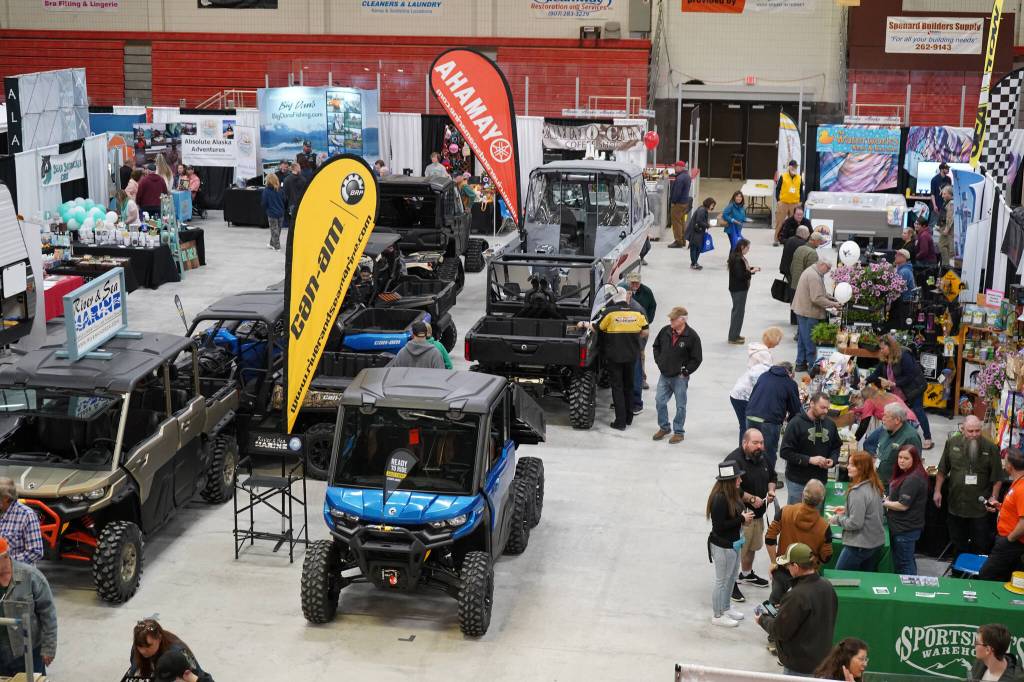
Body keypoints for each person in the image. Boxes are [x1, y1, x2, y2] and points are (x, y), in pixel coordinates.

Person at [755, 542, 838, 677]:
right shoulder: (827, 586)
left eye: (788, 565)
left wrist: (762, 619)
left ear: (796, 566)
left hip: (800, 666)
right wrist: (786, 608)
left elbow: (779, 631)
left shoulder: (796, 595)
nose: (787, 569)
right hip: (822, 660)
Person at [935, 415, 1004, 556]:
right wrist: (937, 491)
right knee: (957, 542)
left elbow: (997, 478)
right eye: (970, 431)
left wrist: (993, 498)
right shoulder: (952, 443)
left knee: (980, 544)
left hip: (979, 508)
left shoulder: (991, 448)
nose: (974, 434)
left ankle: (978, 575)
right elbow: (942, 470)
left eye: (977, 431)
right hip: (956, 504)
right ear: (962, 430)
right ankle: (957, 574)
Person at [726, 429, 777, 602]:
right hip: (740, 516)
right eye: (755, 443)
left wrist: (770, 491)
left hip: (758, 515)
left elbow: (773, 476)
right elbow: (728, 487)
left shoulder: (762, 457)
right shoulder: (733, 460)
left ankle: (746, 574)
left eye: (761, 442)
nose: (760, 446)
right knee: (736, 551)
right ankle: (730, 584)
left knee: (752, 547)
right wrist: (750, 498)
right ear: (745, 443)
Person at [765, 480, 833, 605]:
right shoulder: (824, 527)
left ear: (802, 494)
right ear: (821, 500)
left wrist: (774, 561)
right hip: (806, 577)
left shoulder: (785, 512)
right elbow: (826, 557)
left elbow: (769, 538)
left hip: (783, 570)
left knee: (774, 607)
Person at [706, 460, 754, 628]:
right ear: (729, 481)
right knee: (722, 581)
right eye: (737, 478)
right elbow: (719, 526)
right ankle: (717, 615)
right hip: (722, 546)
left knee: (731, 578)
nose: (740, 481)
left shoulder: (733, 494)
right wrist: (742, 519)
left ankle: (726, 607)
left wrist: (743, 520)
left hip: (734, 543)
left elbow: (732, 519)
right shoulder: (719, 499)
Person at [593, 289, 649, 431]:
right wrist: (632, 339)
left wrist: (583, 324)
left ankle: (620, 422)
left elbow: (597, 328)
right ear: (627, 298)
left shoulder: (610, 313)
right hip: (632, 356)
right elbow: (645, 331)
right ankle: (629, 418)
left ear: (615, 299)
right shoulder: (637, 312)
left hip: (615, 357)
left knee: (617, 388)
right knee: (629, 386)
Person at [0, 538, 56, 675]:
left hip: (28, 652)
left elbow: (48, 614)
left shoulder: (31, 577)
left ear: (5, 556)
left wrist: (49, 648)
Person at [868, 335, 932, 448]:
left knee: (918, 410)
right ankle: (902, 435)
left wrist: (894, 383)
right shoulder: (885, 358)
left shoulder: (904, 355)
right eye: (880, 348)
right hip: (900, 389)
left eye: (883, 348)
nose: (881, 350)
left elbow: (910, 375)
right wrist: (865, 380)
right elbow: (877, 373)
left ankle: (928, 438)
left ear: (890, 346)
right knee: (900, 412)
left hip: (915, 387)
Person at [652, 306, 701, 443]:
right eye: (671, 318)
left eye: (674, 319)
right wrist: (659, 361)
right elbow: (656, 346)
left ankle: (678, 431)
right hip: (664, 375)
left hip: (679, 378)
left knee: (680, 406)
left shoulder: (692, 336)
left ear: (683, 319)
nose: (671, 321)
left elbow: (697, 358)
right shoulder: (665, 331)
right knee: (659, 401)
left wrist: (686, 371)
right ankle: (664, 427)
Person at [829, 451, 885, 571]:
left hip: (859, 545)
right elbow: (869, 510)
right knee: (865, 578)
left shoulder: (857, 492)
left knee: (839, 576)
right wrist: (847, 509)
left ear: (861, 468)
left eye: (852, 465)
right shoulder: (874, 485)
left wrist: (836, 519)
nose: (847, 467)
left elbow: (855, 523)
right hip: (873, 543)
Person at [780, 392, 840, 503]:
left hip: (820, 481)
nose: (826, 411)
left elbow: (836, 447)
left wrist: (833, 460)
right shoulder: (795, 423)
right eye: (822, 407)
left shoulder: (830, 424)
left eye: (827, 408)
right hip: (798, 482)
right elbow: (785, 452)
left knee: (815, 516)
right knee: (796, 516)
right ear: (812, 404)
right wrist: (810, 460)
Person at [745, 361, 802, 476]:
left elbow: (754, 394)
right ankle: (768, 479)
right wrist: (790, 422)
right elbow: (796, 409)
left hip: (751, 415)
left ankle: (749, 474)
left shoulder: (764, 376)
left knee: (751, 448)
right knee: (768, 452)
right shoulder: (789, 383)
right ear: (790, 373)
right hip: (769, 421)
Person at [729, 328, 782, 443]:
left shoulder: (758, 349)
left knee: (745, 425)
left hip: (740, 392)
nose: (779, 343)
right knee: (745, 426)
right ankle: (744, 451)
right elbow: (763, 375)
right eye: (779, 339)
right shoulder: (765, 354)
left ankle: (744, 448)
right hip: (744, 395)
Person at [882, 445, 928, 576]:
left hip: (905, 529)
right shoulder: (906, 473)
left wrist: (883, 503)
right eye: (900, 457)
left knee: (904, 563)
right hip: (902, 527)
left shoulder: (913, 478)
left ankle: (909, 590)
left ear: (915, 460)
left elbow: (903, 505)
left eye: (906, 458)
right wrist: (889, 498)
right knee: (907, 560)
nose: (901, 461)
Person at [979, 449, 1024, 582]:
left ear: (1010, 466)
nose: (1004, 465)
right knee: (1004, 576)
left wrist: (1008, 540)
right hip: (1009, 541)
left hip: (1011, 543)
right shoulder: (1018, 483)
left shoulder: (1022, 488)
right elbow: (1016, 510)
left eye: (1005, 462)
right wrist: (1001, 507)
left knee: (986, 575)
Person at [792, 256, 838, 373]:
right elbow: (816, 298)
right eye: (827, 269)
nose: (827, 272)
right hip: (808, 312)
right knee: (810, 341)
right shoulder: (814, 276)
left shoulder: (813, 272)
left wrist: (831, 297)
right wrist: (833, 304)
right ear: (822, 265)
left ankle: (800, 363)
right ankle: (812, 367)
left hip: (802, 310)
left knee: (803, 339)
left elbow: (820, 291)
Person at [851, 379, 918, 454]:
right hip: (912, 421)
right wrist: (857, 410)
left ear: (864, 397)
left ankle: (873, 463)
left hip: (899, 422)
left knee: (869, 444)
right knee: (903, 451)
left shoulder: (869, 401)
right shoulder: (886, 395)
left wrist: (854, 441)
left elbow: (864, 425)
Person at [130, 619, 211, 680]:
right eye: (139, 646)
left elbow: (201, 677)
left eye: (148, 646)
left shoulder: (179, 653)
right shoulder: (138, 647)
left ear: (159, 638)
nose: (143, 651)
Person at [873, 401, 923, 486]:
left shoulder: (910, 437)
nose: (883, 418)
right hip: (880, 482)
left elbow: (914, 467)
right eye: (883, 415)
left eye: (886, 416)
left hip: (895, 486)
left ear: (897, 420)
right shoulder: (886, 430)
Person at [0, 478, 42, 565]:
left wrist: (6, 562)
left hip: (17, 574)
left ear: (5, 498)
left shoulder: (27, 515)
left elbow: (36, 552)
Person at [727, 238, 759, 344]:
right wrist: (752, 272)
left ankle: (735, 334)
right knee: (738, 313)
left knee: (739, 312)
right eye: (747, 248)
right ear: (742, 247)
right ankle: (733, 337)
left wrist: (751, 269)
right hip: (739, 289)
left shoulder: (738, 257)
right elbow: (741, 275)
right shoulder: (737, 259)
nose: (748, 250)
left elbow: (742, 270)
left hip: (739, 288)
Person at [789, 232, 827, 306]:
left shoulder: (799, 248)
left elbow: (792, 267)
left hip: (793, 285)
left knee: (793, 310)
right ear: (814, 240)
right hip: (803, 288)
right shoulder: (812, 253)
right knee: (801, 313)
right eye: (819, 242)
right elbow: (812, 274)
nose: (820, 244)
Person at [774, 160, 804, 246]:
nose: (794, 168)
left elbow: (801, 191)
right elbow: (777, 189)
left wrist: (801, 201)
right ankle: (776, 239)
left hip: (794, 204)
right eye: (793, 166)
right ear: (789, 167)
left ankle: (793, 240)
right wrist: (778, 200)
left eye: (796, 166)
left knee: (794, 222)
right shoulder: (783, 176)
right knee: (780, 221)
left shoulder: (799, 178)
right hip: (783, 203)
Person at [684, 197, 715, 270]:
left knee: (697, 247)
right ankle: (693, 263)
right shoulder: (702, 210)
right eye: (712, 205)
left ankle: (695, 262)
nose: (712, 206)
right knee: (695, 248)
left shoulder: (703, 209)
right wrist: (707, 225)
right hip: (696, 232)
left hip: (698, 232)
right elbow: (699, 221)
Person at [668, 161, 692, 248]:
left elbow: (677, 192)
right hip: (684, 202)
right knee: (682, 222)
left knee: (676, 223)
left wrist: (673, 202)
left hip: (678, 203)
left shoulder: (680, 178)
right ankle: (683, 240)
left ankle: (678, 241)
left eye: (676, 166)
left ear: (681, 167)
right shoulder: (687, 176)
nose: (675, 168)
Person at [261, 173, 285, 251]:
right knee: (278, 229)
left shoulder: (266, 191)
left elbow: (264, 202)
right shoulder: (280, 190)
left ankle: (277, 246)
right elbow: (284, 200)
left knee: (274, 230)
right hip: (281, 213)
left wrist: (266, 209)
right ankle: (272, 243)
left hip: (272, 213)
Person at [283, 162, 308, 231]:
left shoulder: (287, 179)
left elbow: (285, 194)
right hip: (301, 203)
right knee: (301, 223)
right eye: (299, 167)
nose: (300, 169)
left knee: (293, 223)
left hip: (292, 203)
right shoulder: (303, 179)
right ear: (296, 168)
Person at [937, 185, 955, 267]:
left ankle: (945, 264)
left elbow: (950, 217)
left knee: (942, 245)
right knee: (945, 245)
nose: (942, 195)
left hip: (946, 227)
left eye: (944, 194)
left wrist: (947, 229)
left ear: (950, 194)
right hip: (943, 226)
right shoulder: (946, 202)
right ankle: (946, 263)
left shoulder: (951, 203)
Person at [930, 162, 952, 226]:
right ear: (942, 169)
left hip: (945, 206)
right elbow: (932, 194)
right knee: (933, 223)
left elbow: (950, 192)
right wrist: (934, 205)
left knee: (944, 224)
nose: (948, 170)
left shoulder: (948, 179)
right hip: (937, 205)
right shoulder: (934, 180)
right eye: (947, 168)